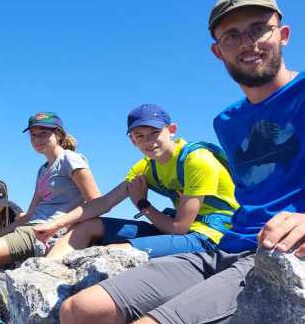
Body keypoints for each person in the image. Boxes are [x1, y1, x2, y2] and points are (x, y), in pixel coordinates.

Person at [60, 0, 304, 324]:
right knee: (79, 312)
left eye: (258, 29)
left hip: (269, 259)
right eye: (231, 35)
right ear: (217, 51)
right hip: (222, 250)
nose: (248, 42)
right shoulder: (227, 122)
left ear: (283, 33)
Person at [35, 104, 239, 261]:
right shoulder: (146, 167)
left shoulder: (197, 160)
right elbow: (104, 202)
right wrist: (56, 224)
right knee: (87, 226)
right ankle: (43, 270)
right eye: (140, 136)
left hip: (211, 235)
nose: (149, 141)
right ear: (133, 140)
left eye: (155, 133)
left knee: (113, 252)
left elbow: (178, 228)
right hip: (177, 229)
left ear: (171, 129)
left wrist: (143, 204)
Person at [0, 114, 100, 324]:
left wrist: (60, 225)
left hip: (46, 230)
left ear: (58, 135)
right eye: (33, 135)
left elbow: (95, 201)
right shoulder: (43, 170)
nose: (37, 139)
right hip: (31, 226)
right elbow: (29, 214)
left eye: (43, 133)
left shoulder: (70, 159)